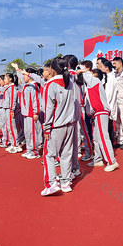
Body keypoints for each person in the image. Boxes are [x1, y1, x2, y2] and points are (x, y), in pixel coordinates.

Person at [40, 58, 81, 196]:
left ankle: (51, 183)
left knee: (49, 155)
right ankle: (65, 182)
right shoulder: (69, 82)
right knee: (66, 154)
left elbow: (48, 108)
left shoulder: (50, 85)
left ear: (52, 70)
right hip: (70, 123)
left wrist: (46, 127)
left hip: (56, 125)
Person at [109, 57, 123, 150]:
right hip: (115, 101)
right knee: (117, 122)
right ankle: (119, 140)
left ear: (121, 63)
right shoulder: (113, 75)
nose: (114, 65)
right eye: (113, 64)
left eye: (115, 63)